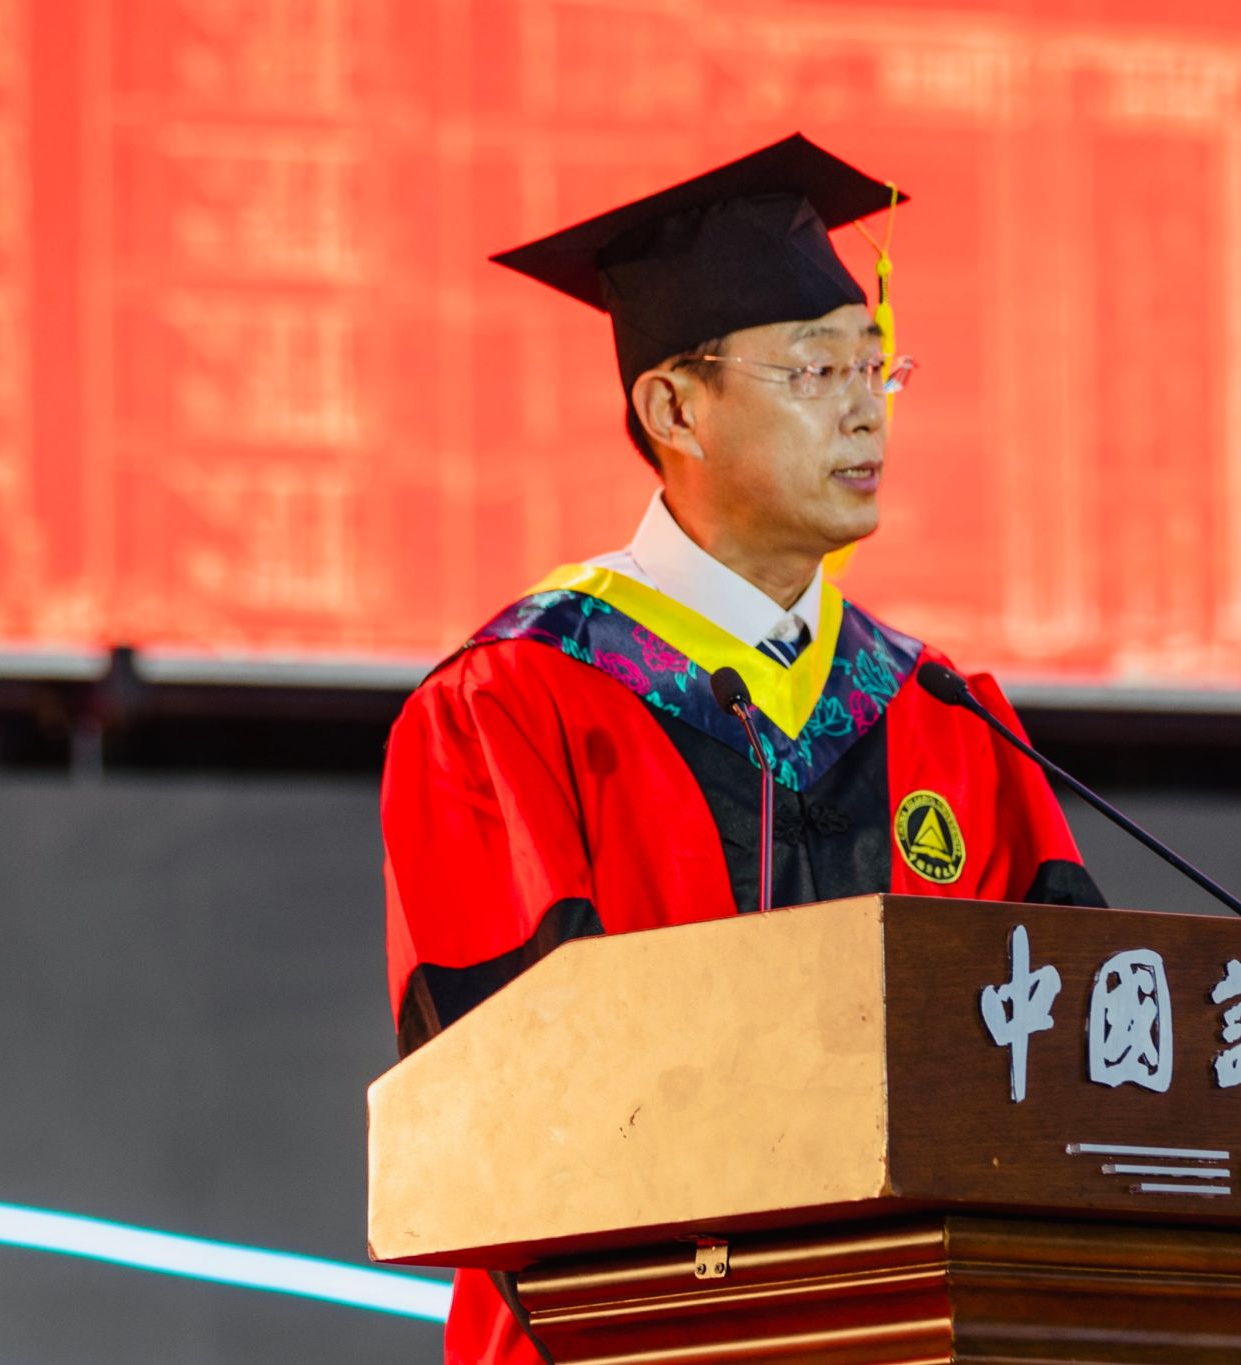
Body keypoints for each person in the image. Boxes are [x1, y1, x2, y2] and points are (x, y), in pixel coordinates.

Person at [379, 134, 1105, 1365]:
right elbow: (508, 1103)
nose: (865, 409)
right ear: (673, 409)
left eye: (875, 366)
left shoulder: (944, 713)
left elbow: (1067, 1066)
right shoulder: (511, 704)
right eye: (815, 369)